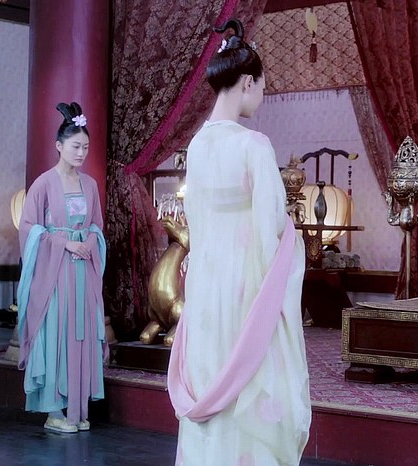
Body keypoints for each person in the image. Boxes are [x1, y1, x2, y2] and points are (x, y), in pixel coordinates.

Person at [166, 19, 311, 466]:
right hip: (246, 284)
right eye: (262, 87)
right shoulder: (254, 145)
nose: (261, 97)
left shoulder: (197, 145)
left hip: (206, 283)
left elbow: (195, 220)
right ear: (247, 82)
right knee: (250, 379)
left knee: (208, 372)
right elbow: (271, 229)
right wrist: (292, 244)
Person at [17, 102, 107, 433]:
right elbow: (29, 228)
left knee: (81, 334)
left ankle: (77, 409)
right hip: (54, 274)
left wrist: (90, 240)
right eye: (75, 146)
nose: (81, 153)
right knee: (56, 333)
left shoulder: (90, 185)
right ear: (59, 146)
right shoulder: (43, 184)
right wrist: (64, 243)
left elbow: (96, 225)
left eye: (85, 147)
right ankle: (53, 411)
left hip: (82, 270)